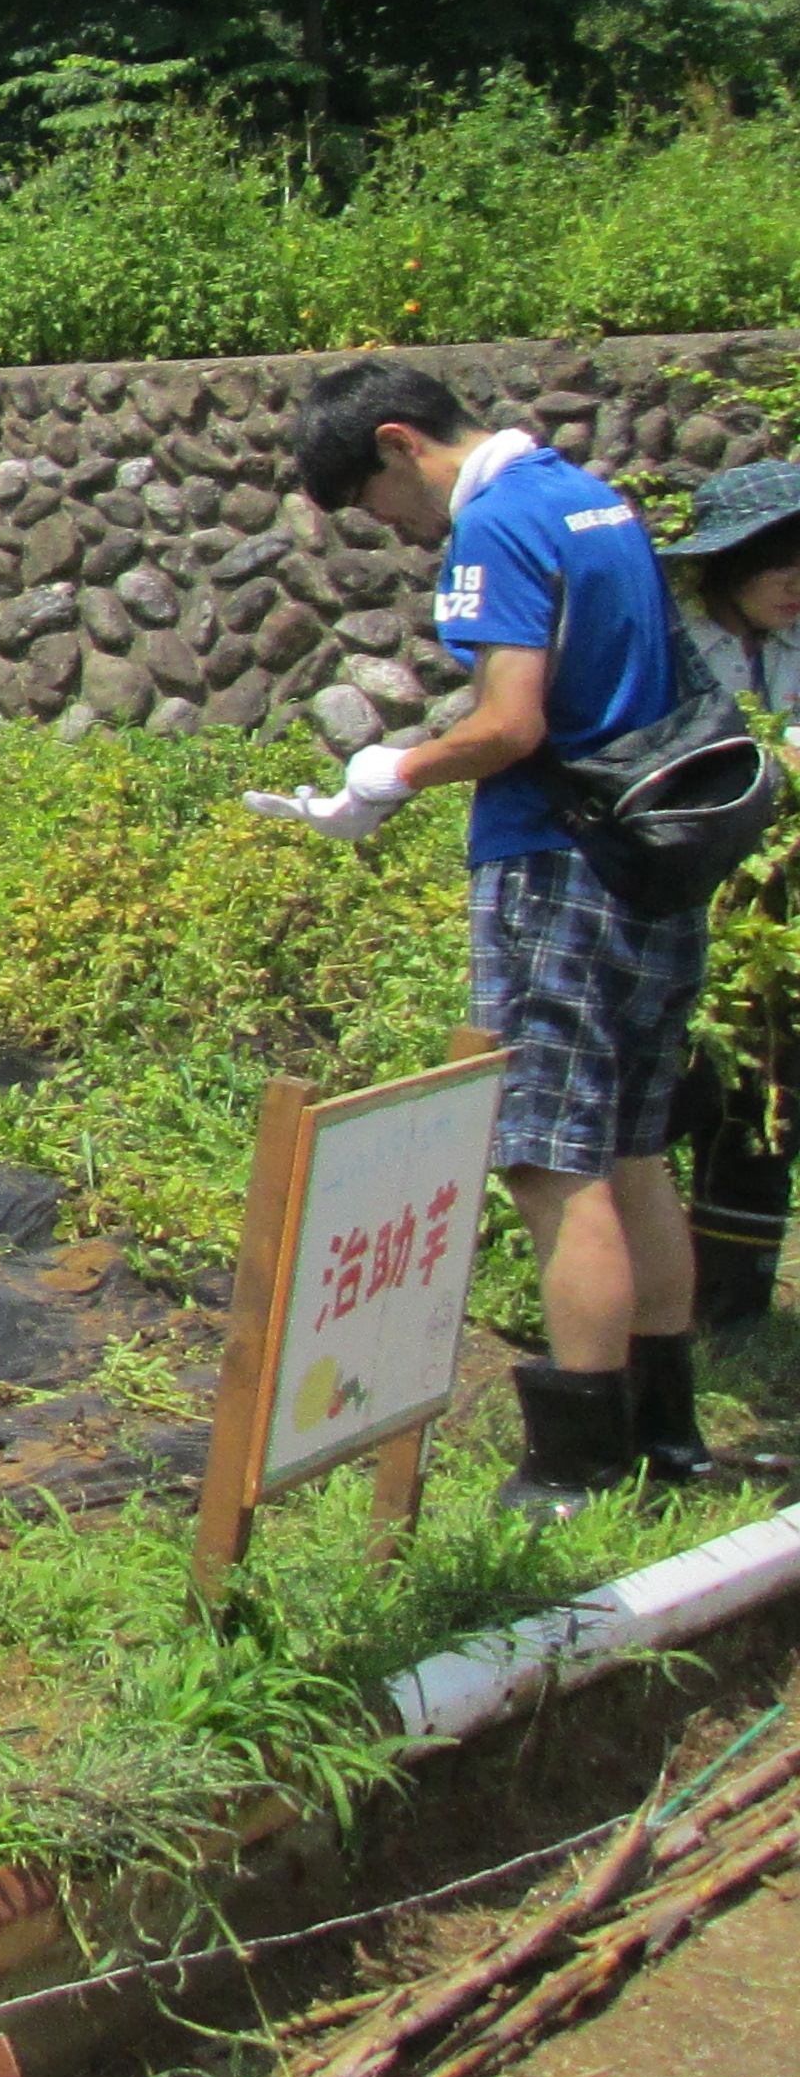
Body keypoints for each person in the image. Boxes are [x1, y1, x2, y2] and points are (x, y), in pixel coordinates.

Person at [253, 360, 705, 1511]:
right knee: (636, 1148)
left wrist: (393, 771)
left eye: (378, 501)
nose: (396, 531)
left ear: (401, 444)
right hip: (654, 855)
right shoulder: (588, 497)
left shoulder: (494, 526)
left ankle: (579, 1462)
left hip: (560, 861)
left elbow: (512, 723)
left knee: (554, 1160)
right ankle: (667, 1435)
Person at [663, 458, 800, 1336]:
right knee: (677, 1088)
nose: (796, 584)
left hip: (777, 915)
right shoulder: (672, 649)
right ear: (727, 563)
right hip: (681, 894)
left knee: (764, 1096)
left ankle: (733, 1308)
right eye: (778, 562)